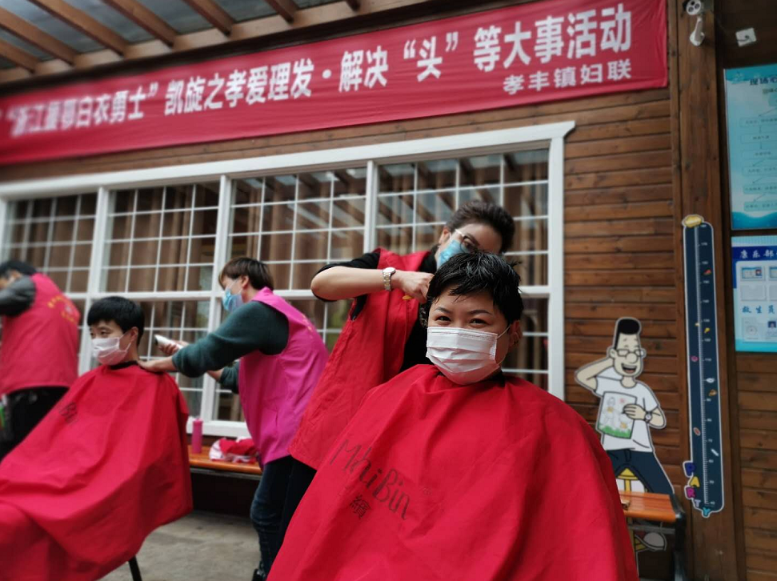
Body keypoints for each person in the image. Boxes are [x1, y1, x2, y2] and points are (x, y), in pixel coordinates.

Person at [269, 253, 638, 581]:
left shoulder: (556, 428)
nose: (457, 333)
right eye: (444, 318)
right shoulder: (386, 397)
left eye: (477, 322)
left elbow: (578, 551)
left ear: (513, 333)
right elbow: (329, 521)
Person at [285, 201, 515, 531]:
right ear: (445, 234)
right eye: (467, 244)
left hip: (405, 445)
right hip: (341, 427)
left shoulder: (474, 303)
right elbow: (322, 283)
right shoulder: (390, 266)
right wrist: (394, 278)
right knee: (302, 530)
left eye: (483, 256)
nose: (469, 258)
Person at [141, 257, 328, 581]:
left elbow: (207, 353)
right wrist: (190, 354)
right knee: (285, 517)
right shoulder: (283, 314)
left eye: (225, 285)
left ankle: (273, 574)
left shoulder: (258, 311)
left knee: (266, 513)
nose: (224, 294)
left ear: (242, 281)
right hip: (308, 431)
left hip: (294, 433)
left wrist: (154, 365)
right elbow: (233, 376)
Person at [0, 296, 192, 580]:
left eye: (104, 333)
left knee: (10, 524)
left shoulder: (156, 386)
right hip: (55, 477)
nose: (97, 341)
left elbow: (148, 456)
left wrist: (91, 477)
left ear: (132, 334)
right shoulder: (88, 381)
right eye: (92, 334)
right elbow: (48, 439)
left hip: (99, 487)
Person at [575, 317, 673, 494]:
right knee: (594, 488)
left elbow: (659, 420)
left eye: (636, 352)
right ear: (614, 354)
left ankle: (664, 514)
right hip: (613, 449)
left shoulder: (642, 390)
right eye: (625, 352)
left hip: (640, 450)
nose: (631, 358)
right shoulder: (609, 384)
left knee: (664, 491)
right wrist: (610, 360)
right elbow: (583, 376)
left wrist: (644, 415)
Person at [0, 260, 80, 462]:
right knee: (43, 453)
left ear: (13, 275)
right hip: (62, 388)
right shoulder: (64, 301)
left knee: (18, 452)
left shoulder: (29, 284)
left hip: (31, 384)